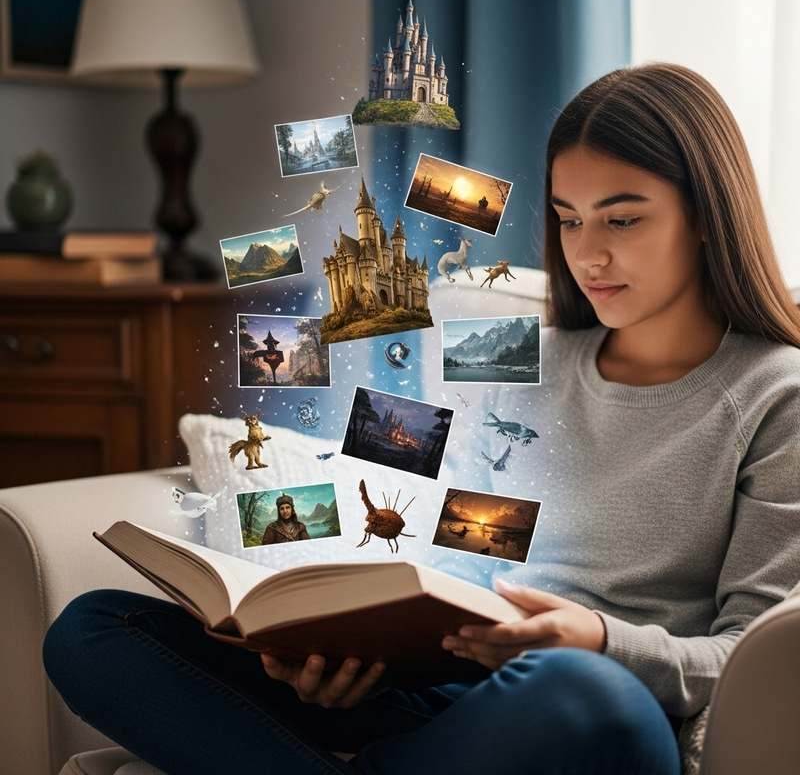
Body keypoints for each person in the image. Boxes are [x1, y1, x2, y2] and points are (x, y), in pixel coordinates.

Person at [43, 63, 800, 775]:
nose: (588, 255)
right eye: (569, 221)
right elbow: (466, 561)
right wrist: (352, 657)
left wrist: (599, 640)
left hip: (577, 707)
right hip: (439, 693)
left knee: (587, 697)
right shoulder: (520, 357)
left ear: (706, 216)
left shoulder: (777, 395)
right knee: (94, 630)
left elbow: (754, 658)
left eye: (623, 220)